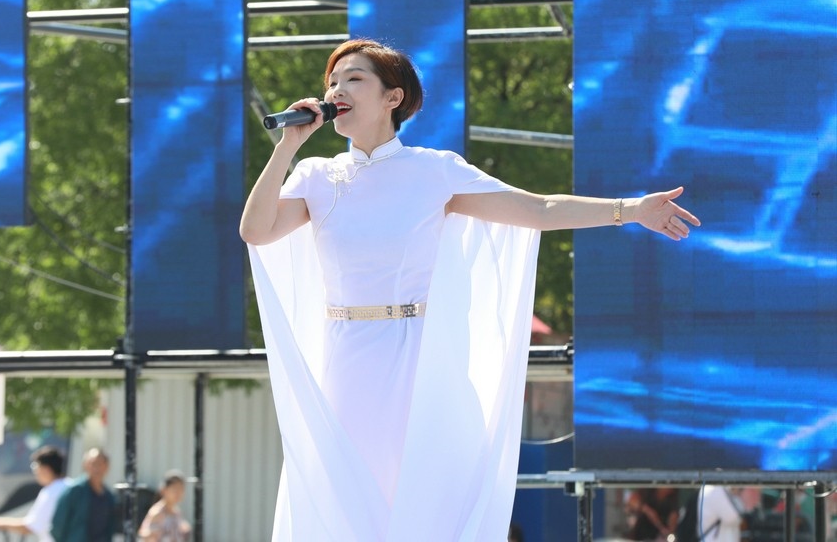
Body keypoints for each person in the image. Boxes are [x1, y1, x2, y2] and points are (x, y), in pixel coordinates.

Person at [240, 38, 701, 541]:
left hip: (421, 356)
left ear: (393, 97)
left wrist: (630, 210)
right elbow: (255, 230)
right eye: (332, 81)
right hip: (347, 359)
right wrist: (287, 146)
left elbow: (538, 209)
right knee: (343, 505)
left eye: (354, 78)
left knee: (427, 504)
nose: (336, 90)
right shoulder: (315, 176)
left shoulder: (433, 170)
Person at [0, 445, 68, 542]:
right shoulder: (70, 487)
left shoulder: (51, 492)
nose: (35, 472)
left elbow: (30, 526)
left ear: (46, 469)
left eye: (36, 467)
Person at [51, 447, 116, 542]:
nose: (96, 468)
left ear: (107, 467)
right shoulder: (74, 490)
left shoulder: (109, 496)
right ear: (85, 465)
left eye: (100, 464)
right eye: (92, 464)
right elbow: (57, 525)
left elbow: (110, 528)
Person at [138, 470, 191, 541]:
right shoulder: (158, 512)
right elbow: (145, 535)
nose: (178, 492)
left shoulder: (176, 511)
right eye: (174, 488)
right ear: (164, 490)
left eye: (181, 488)